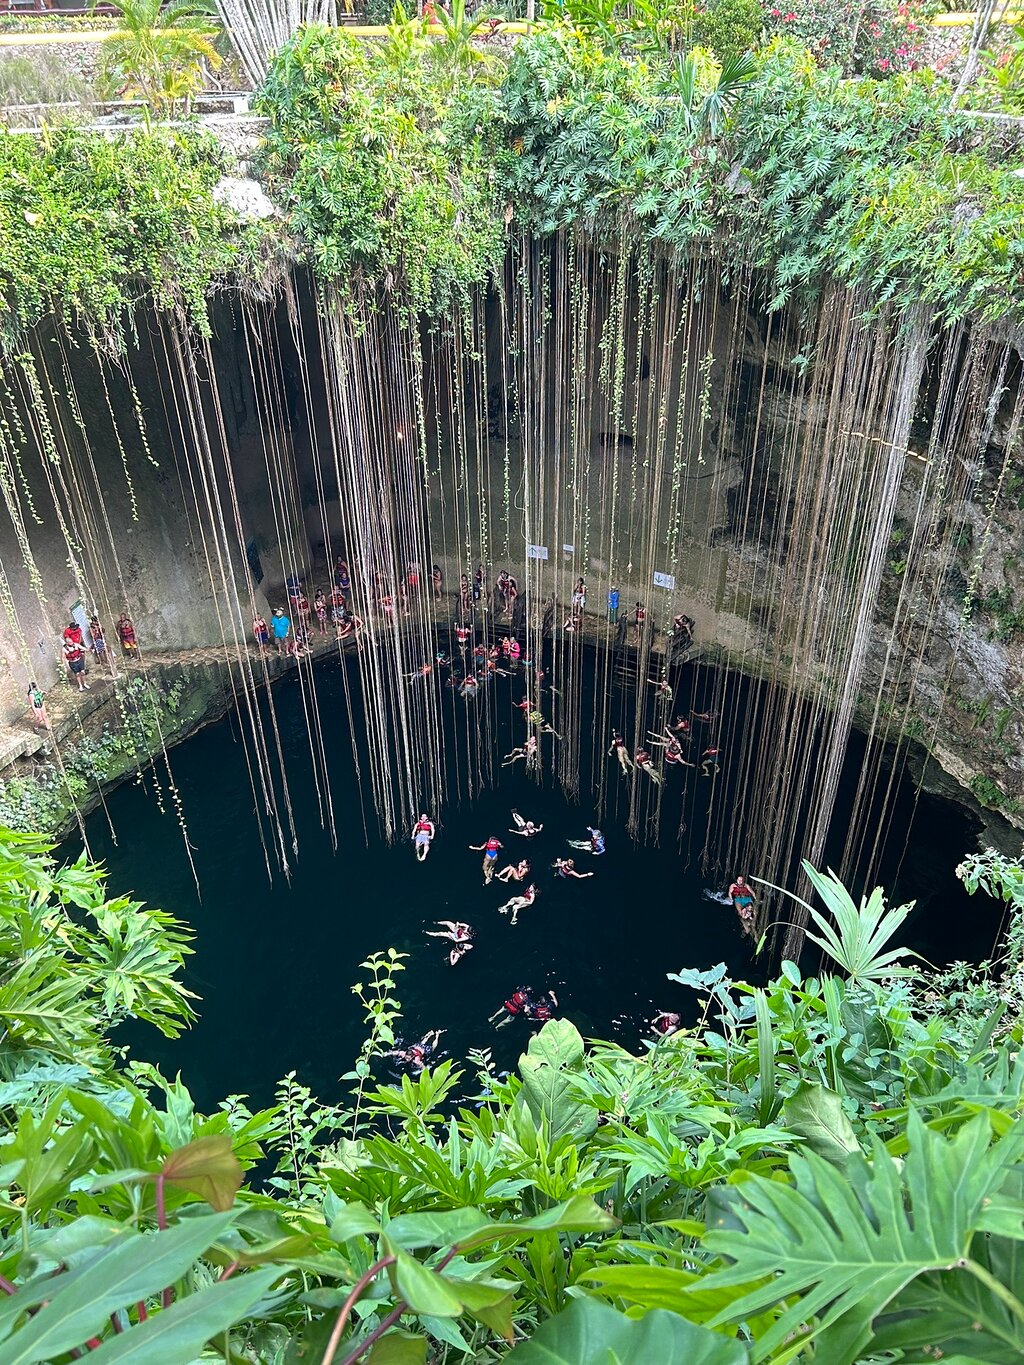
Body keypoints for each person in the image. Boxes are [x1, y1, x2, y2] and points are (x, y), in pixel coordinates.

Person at [62, 621, 89, 691]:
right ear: (67, 643)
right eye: (70, 642)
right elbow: (63, 657)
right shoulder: (64, 648)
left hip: (79, 659)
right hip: (73, 662)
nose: (71, 643)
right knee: (77, 674)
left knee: (82, 672)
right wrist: (65, 665)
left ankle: (85, 683)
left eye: (71, 642)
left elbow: (82, 647)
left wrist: (88, 649)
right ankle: (80, 686)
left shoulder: (76, 644)